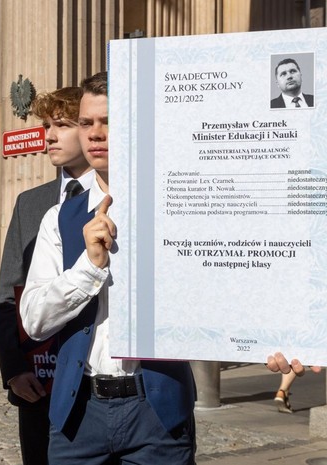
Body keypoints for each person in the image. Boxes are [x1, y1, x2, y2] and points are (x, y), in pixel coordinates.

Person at [20, 71, 196, 463]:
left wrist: (274, 341)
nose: (95, 134)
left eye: (108, 121)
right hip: (78, 413)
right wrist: (89, 267)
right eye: (86, 123)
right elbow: (34, 321)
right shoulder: (58, 218)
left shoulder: (179, 207)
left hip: (158, 413)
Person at [0, 86, 94, 465]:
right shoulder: (30, 203)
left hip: (98, 382)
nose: (49, 135)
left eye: (62, 125)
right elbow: (8, 293)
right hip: (38, 383)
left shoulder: (120, 195)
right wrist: (14, 371)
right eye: (46, 126)